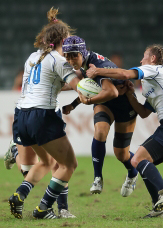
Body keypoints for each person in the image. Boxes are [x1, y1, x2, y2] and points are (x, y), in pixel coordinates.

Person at [86, 44, 163, 218]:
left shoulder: (154, 69)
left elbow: (126, 73)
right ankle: (159, 209)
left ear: (153, 59)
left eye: (144, 56)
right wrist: (129, 95)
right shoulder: (153, 82)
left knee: (137, 159)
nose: (140, 60)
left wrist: (98, 71)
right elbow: (143, 113)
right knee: (142, 163)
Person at [8, 8, 79, 220]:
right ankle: (44, 209)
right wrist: (91, 87)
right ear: (63, 39)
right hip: (43, 116)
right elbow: (77, 85)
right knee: (68, 164)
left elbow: (44, 84)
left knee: (47, 162)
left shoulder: (32, 57)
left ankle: (19, 195)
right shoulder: (59, 60)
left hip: (22, 115)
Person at [62, 35, 138, 196]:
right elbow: (90, 86)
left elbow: (112, 92)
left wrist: (88, 102)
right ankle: (97, 178)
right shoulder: (86, 64)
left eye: (74, 55)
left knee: (121, 154)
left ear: (82, 52)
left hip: (125, 105)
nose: (71, 60)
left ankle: (133, 172)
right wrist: (73, 105)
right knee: (100, 131)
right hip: (105, 102)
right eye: (67, 56)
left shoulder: (95, 65)